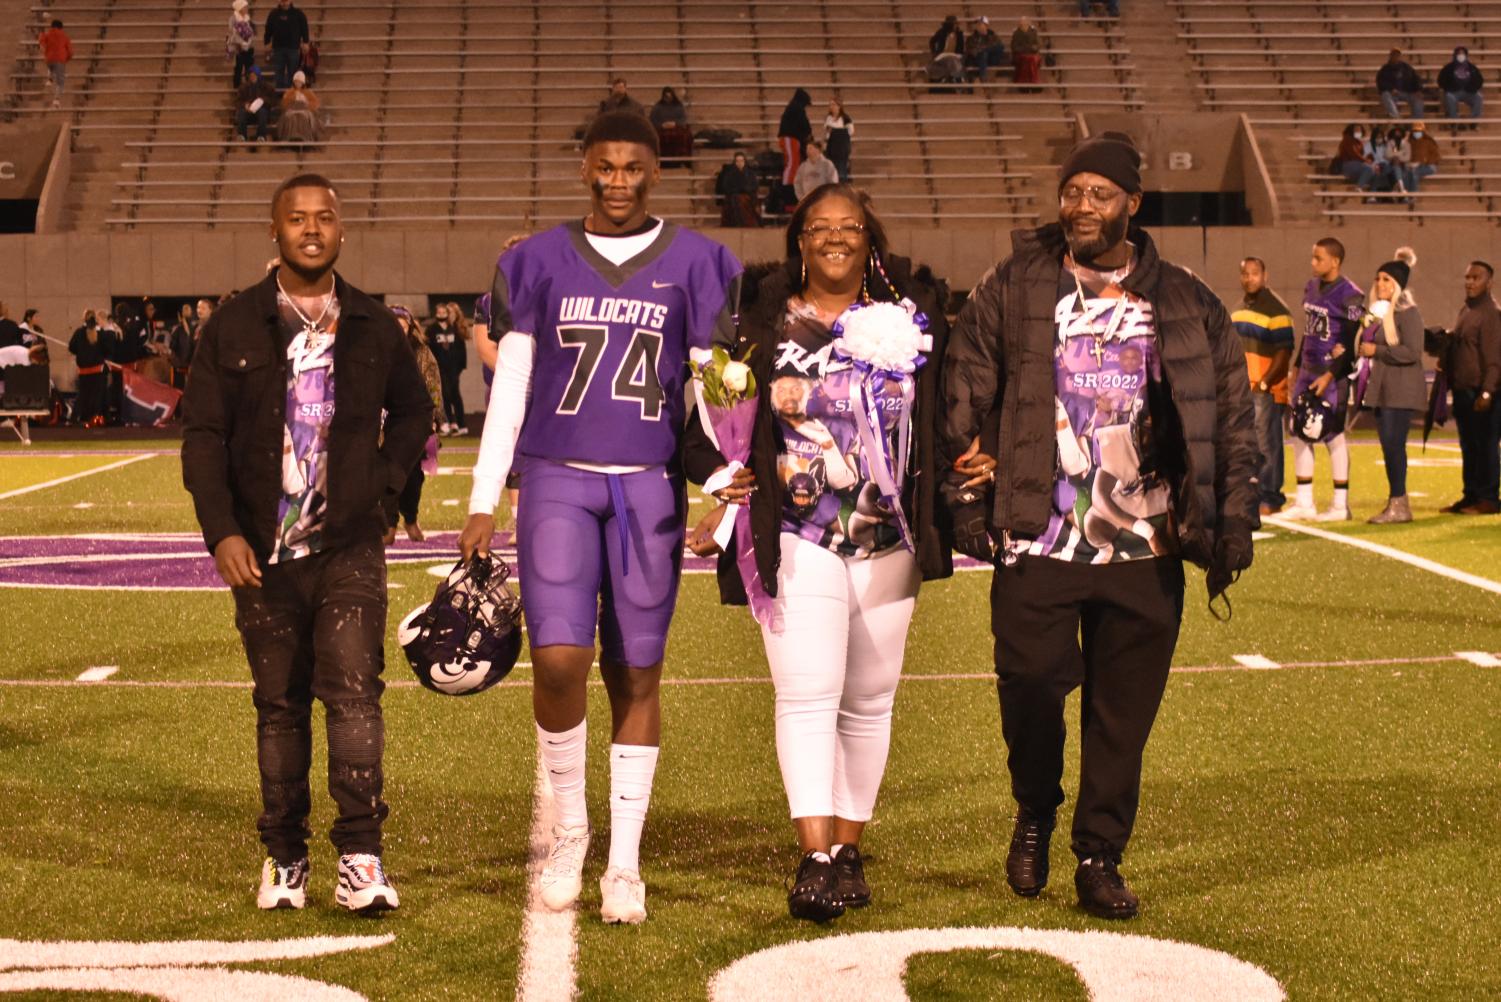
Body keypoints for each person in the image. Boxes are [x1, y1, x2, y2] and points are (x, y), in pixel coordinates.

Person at [940, 131, 1257, 921]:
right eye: (1072, 191)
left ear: (1131, 205)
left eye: (1099, 194)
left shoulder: (1183, 297)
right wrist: (964, 494)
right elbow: (963, 390)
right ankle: (1035, 809)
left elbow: (1230, 413)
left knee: (1122, 715)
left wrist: (1231, 521)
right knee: (1031, 686)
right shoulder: (1014, 284)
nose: (1081, 206)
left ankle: (1097, 855)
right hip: (1036, 533)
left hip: (1144, 542)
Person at [458, 111, 742, 926]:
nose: (618, 181)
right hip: (555, 478)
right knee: (555, 659)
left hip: (648, 481)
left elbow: (712, 384)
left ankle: (624, 861)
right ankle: (570, 834)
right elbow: (509, 388)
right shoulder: (533, 261)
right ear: (585, 168)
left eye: (632, 168)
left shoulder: (698, 262)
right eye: (605, 167)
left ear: (654, 171)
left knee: (638, 670)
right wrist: (484, 496)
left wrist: (723, 485)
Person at [682, 184, 953, 922]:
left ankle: (850, 844)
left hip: (887, 536)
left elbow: (948, 412)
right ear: (797, 240)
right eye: (819, 229)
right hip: (796, 536)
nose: (835, 239)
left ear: (871, 239)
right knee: (805, 696)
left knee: (868, 702)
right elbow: (702, 424)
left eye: (850, 228)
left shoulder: (907, 317)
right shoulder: (754, 323)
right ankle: (813, 855)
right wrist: (719, 479)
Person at [180, 173, 432, 914]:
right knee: (279, 707)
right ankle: (284, 858)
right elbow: (202, 437)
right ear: (275, 230)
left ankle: (360, 857)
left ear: (342, 231)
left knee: (355, 698)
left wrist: (383, 488)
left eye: (324, 217)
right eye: (297, 218)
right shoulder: (231, 325)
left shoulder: (374, 324)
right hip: (262, 552)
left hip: (348, 546)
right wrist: (221, 531)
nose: (312, 229)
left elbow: (416, 413)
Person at [1283, 238, 1364, 522]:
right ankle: (1304, 500)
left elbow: (1353, 342)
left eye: (1318, 258)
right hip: (1308, 369)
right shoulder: (1311, 286)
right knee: (1299, 431)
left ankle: (1340, 505)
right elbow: (1309, 330)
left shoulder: (1352, 295)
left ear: (1335, 261)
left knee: (1332, 433)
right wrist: (1296, 367)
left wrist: (1330, 375)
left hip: (1332, 374)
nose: (1313, 263)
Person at [1358, 250, 1425, 524]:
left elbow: (1413, 352)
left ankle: (1400, 504)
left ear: (1397, 284)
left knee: (1394, 446)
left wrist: (1378, 350)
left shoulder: (1408, 313)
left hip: (1401, 389)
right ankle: (1396, 501)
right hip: (1383, 389)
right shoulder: (1376, 312)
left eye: (1386, 279)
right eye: (1378, 279)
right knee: (1389, 446)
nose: (1380, 284)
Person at [1232, 257, 1295, 515]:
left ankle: (1270, 496)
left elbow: (1284, 352)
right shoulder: (1239, 309)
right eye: (1245, 274)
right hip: (1244, 388)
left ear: (1265, 275)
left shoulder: (1276, 309)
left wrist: (1266, 382)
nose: (1249, 278)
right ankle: (1254, 494)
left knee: (1267, 444)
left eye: (1254, 273)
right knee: (1247, 445)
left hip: (1264, 388)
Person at [1440, 261, 1501, 515]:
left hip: (1482, 392)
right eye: (1467, 277)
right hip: (1464, 390)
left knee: (1486, 446)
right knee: (1469, 446)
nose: (1470, 282)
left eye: (1476, 278)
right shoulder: (1467, 309)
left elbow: (1494, 358)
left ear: (1489, 282)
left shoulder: (1491, 313)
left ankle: (1488, 498)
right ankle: (1470, 495)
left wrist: (1487, 392)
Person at [386, 306, 442, 543]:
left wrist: (434, 417)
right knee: (385, 476)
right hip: (383, 422)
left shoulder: (422, 353)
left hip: (414, 420)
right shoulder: (377, 349)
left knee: (412, 477)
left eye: (402, 324)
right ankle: (388, 525)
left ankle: (410, 519)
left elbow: (434, 387)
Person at [425, 301, 469, 435]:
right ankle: (449, 422)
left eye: (444, 313)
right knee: (444, 394)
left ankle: (461, 424)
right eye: (439, 313)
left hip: (453, 368)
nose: (441, 315)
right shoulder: (432, 329)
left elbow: (461, 349)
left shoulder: (453, 329)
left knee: (454, 394)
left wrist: (461, 366)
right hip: (439, 367)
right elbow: (428, 348)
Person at [68, 310, 113, 428]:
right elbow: (107, 350)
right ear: (96, 319)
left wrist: (81, 352)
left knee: (82, 395)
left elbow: (71, 347)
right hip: (97, 370)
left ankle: (74, 418)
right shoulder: (101, 333)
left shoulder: (79, 332)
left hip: (84, 371)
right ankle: (94, 419)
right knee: (96, 396)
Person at [776, 89, 813, 213]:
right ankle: (788, 186)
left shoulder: (793, 108)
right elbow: (805, 126)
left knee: (793, 164)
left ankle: (790, 186)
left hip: (792, 139)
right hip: (790, 138)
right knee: (792, 164)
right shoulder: (797, 109)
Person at [263, 0, 308, 90]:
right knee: (278, 73)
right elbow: (268, 29)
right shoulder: (273, 14)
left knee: (293, 73)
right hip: (278, 48)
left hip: (293, 48)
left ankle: (292, 94)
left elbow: (304, 28)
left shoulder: (298, 13)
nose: (284, 2)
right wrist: (267, 42)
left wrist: (306, 42)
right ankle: (280, 95)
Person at [1439, 46, 1484, 125]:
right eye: (1459, 53)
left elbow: (1479, 80)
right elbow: (1441, 80)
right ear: (1455, 55)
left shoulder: (1472, 68)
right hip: (1454, 92)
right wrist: (1449, 88)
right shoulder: (1448, 68)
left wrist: (1473, 87)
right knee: (1449, 97)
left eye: (1462, 53)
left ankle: (1474, 122)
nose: (1461, 55)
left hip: (1469, 92)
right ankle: (1454, 121)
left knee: (1478, 97)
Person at [715, 151, 761, 228]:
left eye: (741, 161)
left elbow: (754, 186)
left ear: (745, 161)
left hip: (747, 196)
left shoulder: (750, 173)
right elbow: (726, 186)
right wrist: (736, 190)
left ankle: (746, 223)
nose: (740, 163)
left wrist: (745, 189)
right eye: (737, 161)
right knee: (736, 199)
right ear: (735, 162)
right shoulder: (729, 173)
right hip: (733, 195)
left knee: (742, 200)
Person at [649, 87, 692, 165]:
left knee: (685, 136)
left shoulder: (679, 106)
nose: (668, 99)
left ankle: (681, 160)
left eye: (670, 97)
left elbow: (683, 119)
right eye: (666, 97)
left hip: (676, 128)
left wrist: (675, 124)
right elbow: (652, 120)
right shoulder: (657, 107)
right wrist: (662, 125)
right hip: (661, 129)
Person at [1377, 49, 1424, 119]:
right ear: (1390, 56)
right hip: (1392, 93)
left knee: (1418, 100)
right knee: (1385, 95)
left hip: (1407, 92)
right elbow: (1381, 82)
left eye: (1397, 55)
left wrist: (1418, 89)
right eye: (1393, 55)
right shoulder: (1385, 69)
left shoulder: (1406, 68)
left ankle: (1416, 120)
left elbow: (1416, 78)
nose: (1395, 57)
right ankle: (1396, 117)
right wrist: (1391, 89)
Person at [276, 71, 322, 144]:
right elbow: (283, 104)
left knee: (303, 117)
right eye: (296, 82)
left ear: (303, 82)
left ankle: (305, 137)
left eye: (299, 82)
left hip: (305, 111)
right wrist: (293, 98)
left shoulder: (308, 92)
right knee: (290, 117)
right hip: (292, 110)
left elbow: (316, 104)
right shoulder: (289, 92)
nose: (298, 83)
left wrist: (306, 102)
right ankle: (290, 138)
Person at [235, 66, 275, 142]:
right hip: (248, 112)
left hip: (261, 112)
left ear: (258, 76)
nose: (252, 77)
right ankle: (242, 135)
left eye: (254, 75)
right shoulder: (243, 87)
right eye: (251, 75)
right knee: (241, 112)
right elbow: (238, 101)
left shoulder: (266, 87)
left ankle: (261, 136)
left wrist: (262, 101)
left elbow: (272, 100)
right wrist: (245, 105)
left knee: (262, 112)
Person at [37, 19, 71, 108]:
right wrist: (66, 59)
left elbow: (41, 40)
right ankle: (56, 100)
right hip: (60, 59)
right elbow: (70, 51)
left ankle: (50, 79)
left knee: (51, 66)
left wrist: (43, 48)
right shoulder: (64, 36)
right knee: (60, 82)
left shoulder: (47, 34)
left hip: (49, 59)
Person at [964, 17, 1007, 82]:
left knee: (999, 47)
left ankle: (985, 77)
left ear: (986, 26)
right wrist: (982, 50)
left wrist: (984, 49)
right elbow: (971, 50)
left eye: (980, 24)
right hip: (978, 59)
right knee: (983, 54)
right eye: (977, 25)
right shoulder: (971, 38)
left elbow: (998, 47)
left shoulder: (993, 36)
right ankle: (983, 77)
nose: (978, 26)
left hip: (991, 59)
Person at [1403, 122, 1441, 195]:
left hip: (1429, 166)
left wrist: (1422, 162)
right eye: (1415, 131)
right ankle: (1406, 194)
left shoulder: (1429, 142)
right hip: (1413, 166)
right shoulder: (1410, 142)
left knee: (1414, 173)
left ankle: (1412, 195)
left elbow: (1436, 156)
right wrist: (1410, 163)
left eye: (1419, 131)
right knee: (1407, 173)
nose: (1417, 133)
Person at [927, 16, 965, 86]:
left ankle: (950, 78)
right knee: (950, 60)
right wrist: (934, 52)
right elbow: (932, 41)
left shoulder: (959, 34)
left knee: (953, 59)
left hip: (954, 55)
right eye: (954, 24)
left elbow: (961, 47)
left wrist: (960, 54)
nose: (956, 26)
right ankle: (957, 78)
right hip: (943, 55)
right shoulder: (941, 32)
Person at [168, 303, 198, 389]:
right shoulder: (177, 329)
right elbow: (172, 345)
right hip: (180, 364)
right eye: (184, 309)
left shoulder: (195, 328)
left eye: (188, 309)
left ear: (191, 311)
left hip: (192, 364)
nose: (186, 311)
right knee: (179, 387)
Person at [822, 99, 854, 182]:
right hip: (831, 146)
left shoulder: (845, 118)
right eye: (830, 105)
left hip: (841, 146)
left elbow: (851, 131)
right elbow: (827, 133)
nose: (831, 107)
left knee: (841, 168)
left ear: (839, 106)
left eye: (834, 104)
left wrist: (836, 131)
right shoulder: (828, 118)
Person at [227, 1, 256, 88]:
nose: (247, 9)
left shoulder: (247, 18)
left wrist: (249, 41)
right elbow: (232, 33)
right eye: (245, 7)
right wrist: (241, 43)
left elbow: (251, 32)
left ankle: (249, 85)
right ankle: (237, 86)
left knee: (249, 68)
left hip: (248, 47)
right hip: (238, 48)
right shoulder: (233, 18)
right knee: (238, 68)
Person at [1011, 16, 1043, 91]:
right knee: (1027, 59)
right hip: (1021, 54)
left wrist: (1034, 48)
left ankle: (1033, 83)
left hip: (1032, 53)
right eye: (1021, 24)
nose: (1023, 26)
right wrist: (1025, 49)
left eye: (1025, 24)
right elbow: (1014, 46)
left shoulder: (1034, 32)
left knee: (1031, 59)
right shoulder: (1016, 34)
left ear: (1028, 24)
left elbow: (1039, 44)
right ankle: (1027, 83)